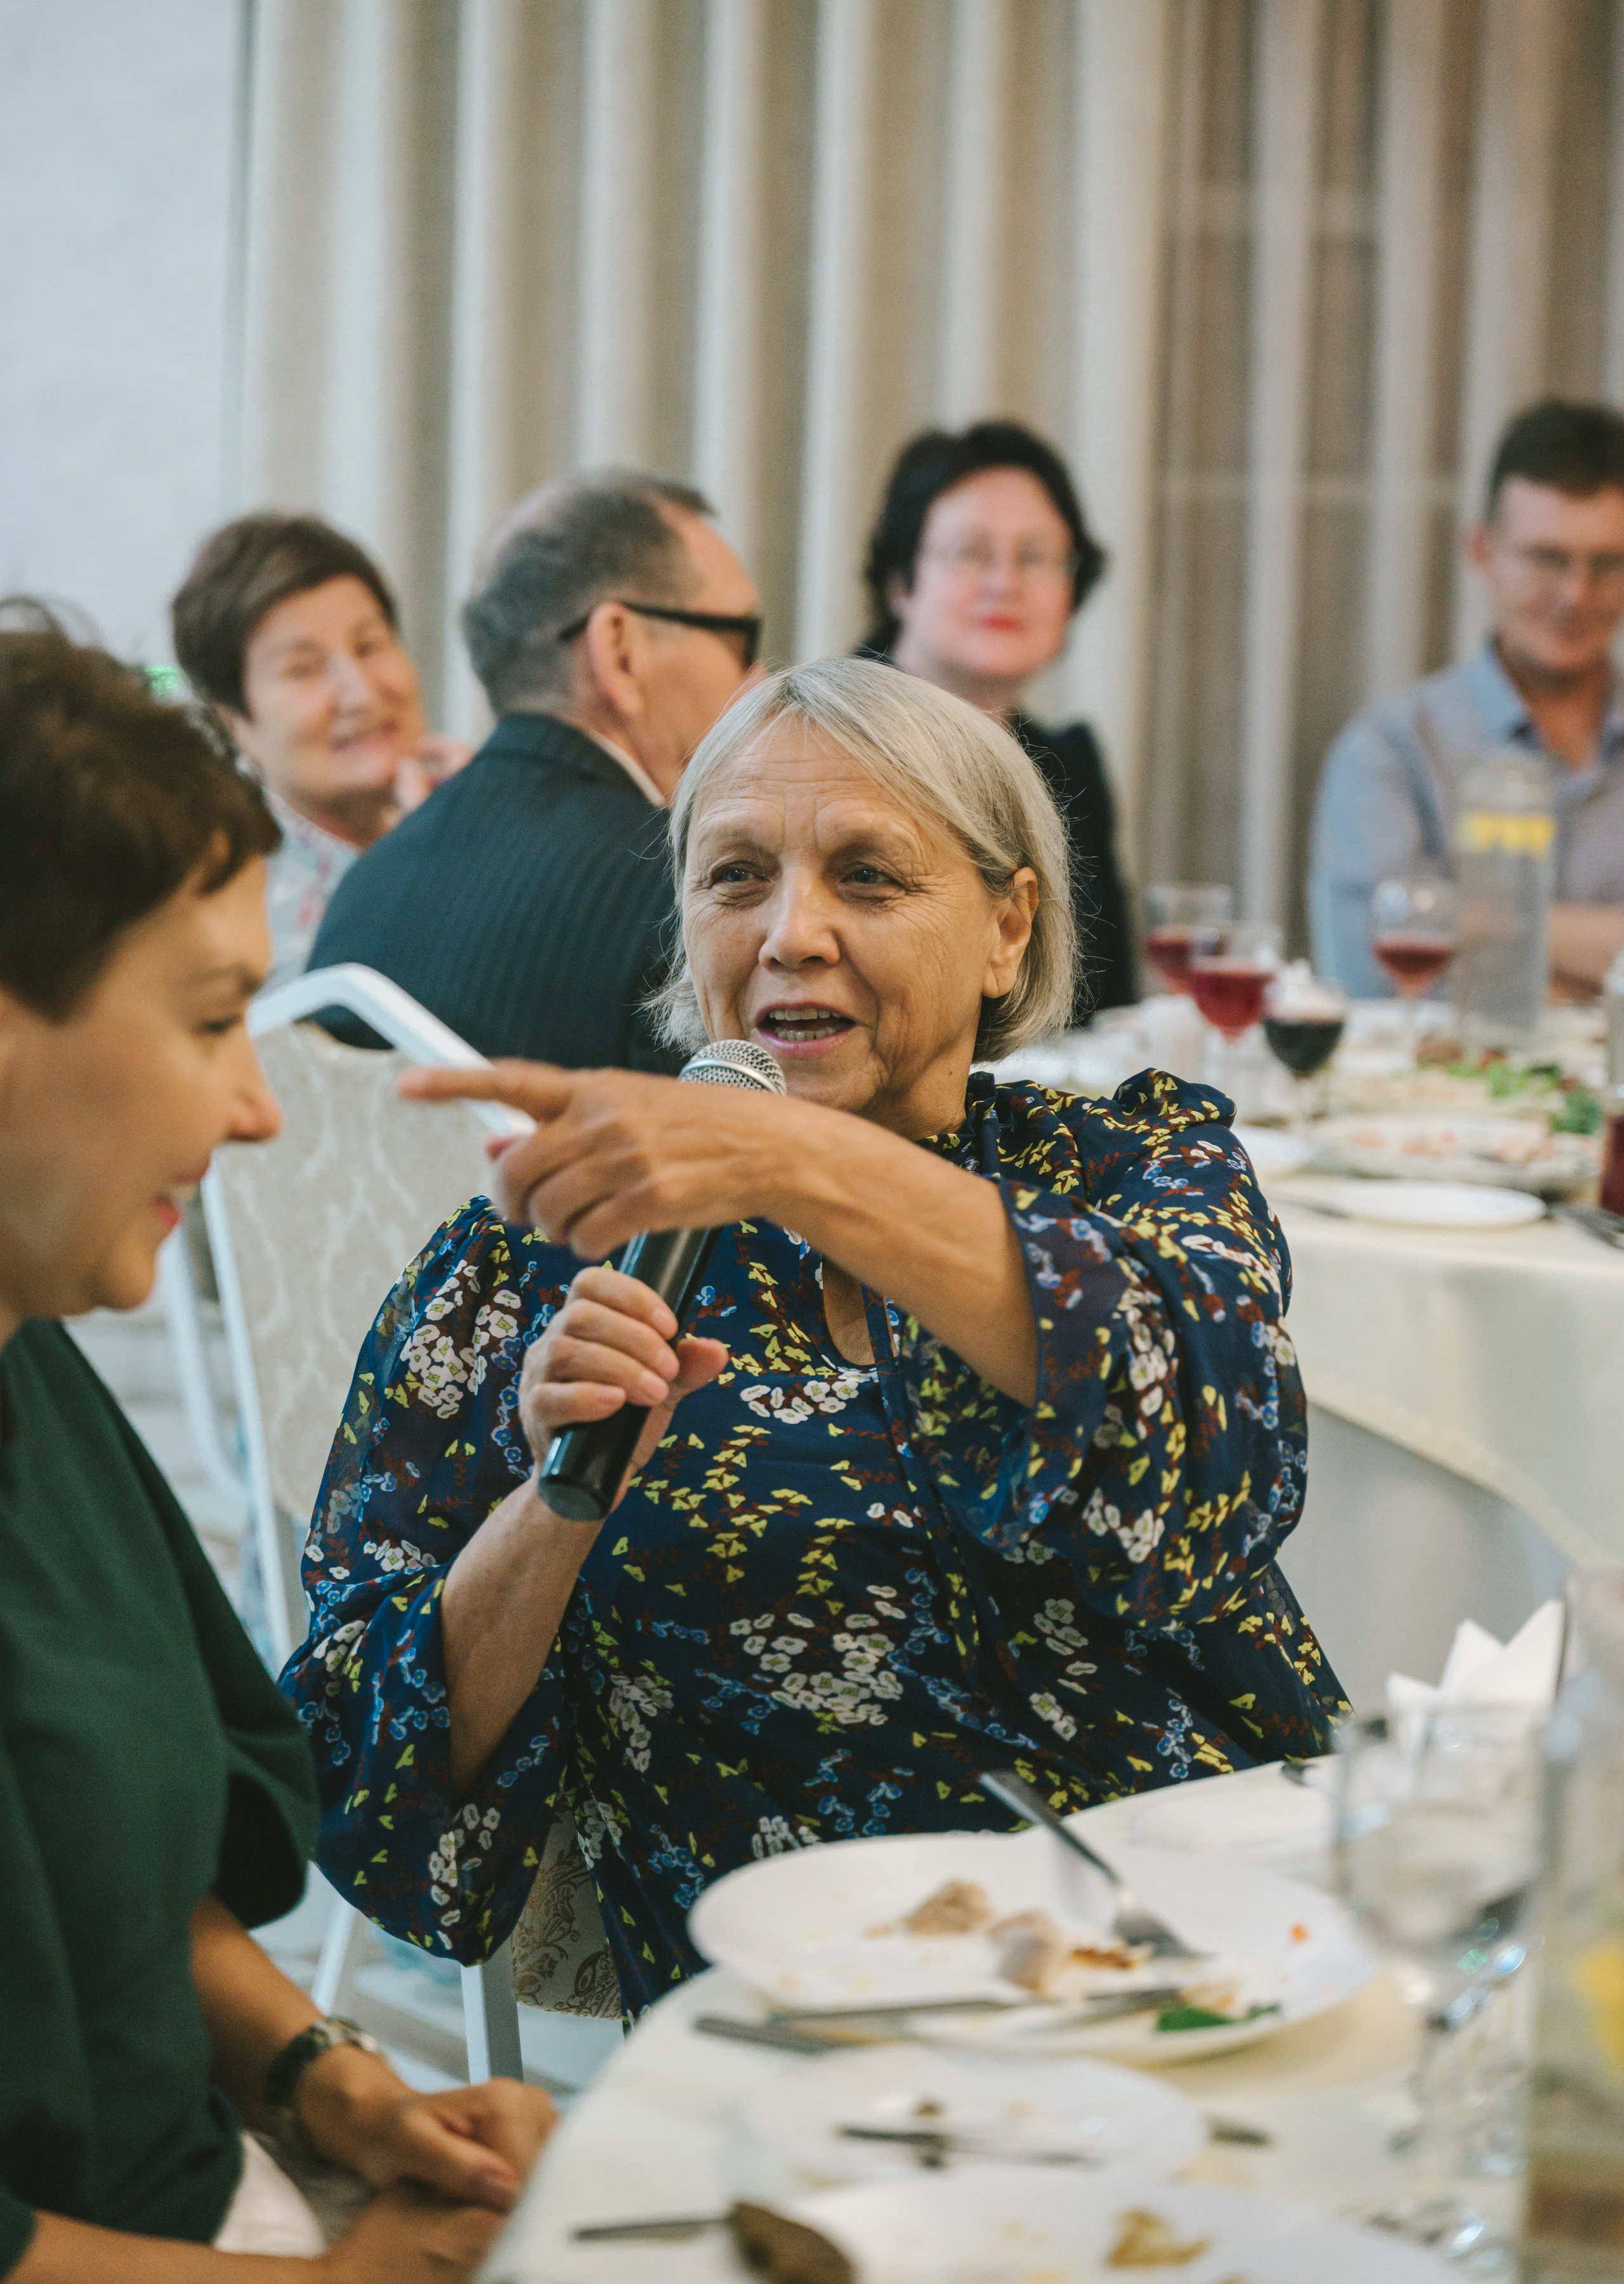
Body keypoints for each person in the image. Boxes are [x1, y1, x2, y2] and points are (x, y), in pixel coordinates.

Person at [284, 656, 1343, 2017]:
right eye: (735, 877)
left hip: (1195, 1950)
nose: (790, 932)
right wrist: (553, 1505)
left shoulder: (1130, 1163)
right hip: (806, 2015)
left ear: (1007, 928)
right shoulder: (541, 1248)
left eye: (867, 876)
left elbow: (1221, 1468)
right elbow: (363, 1780)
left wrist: (789, 1162)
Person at [0, 626, 554, 2276]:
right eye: (211, 1019)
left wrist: (335, 2083)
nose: (258, 1109)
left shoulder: (34, 1365)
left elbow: (107, 1885)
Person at [306, 469, 763, 1072]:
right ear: (619, 650)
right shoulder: (685, 884)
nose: (760, 683)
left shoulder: (366, 886)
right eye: (743, 641)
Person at [1311, 399, 1624, 998]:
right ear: (1483, 553)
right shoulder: (1390, 749)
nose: (1575, 595)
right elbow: (1377, 982)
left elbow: (1438, 958)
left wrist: (1484, 922)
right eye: (1547, 558)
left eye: (1607, 564)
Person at [861, 419, 1135, 1019]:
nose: (1004, 583)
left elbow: (1107, 1006)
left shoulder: (1069, 764)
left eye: (1036, 558)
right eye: (971, 554)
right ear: (901, 582)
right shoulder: (831, 746)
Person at [172, 513, 469, 989]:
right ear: (232, 722)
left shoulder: (453, 822)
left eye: (370, 645)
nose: (362, 693)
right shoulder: (242, 915)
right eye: (304, 669)